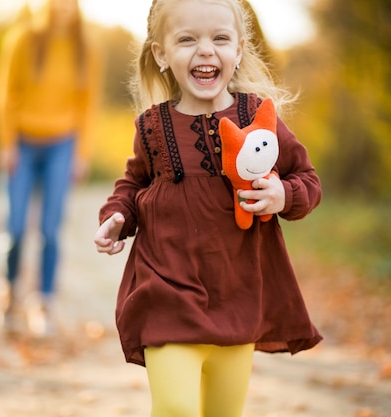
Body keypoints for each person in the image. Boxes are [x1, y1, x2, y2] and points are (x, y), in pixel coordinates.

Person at [93, 0, 322, 416]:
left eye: (219, 38)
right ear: (161, 53)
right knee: (176, 408)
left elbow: (307, 179)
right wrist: (117, 217)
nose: (205, 50)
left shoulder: (260, 120)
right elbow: (134, 183)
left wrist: (282, 195)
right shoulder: (151, 127)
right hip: (167, 292)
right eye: (187, 39)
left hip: (238, 296)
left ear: (238, 50)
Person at [0, 0, 101, 337]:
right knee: (15, 226)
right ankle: (7, 294)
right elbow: (4, 94)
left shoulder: (86, 47)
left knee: (51, 230)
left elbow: (88, 103)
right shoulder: (23, 38)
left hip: (61, 145)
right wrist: (6, 144)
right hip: (22, 141)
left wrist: (81, 153)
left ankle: (44, 302)